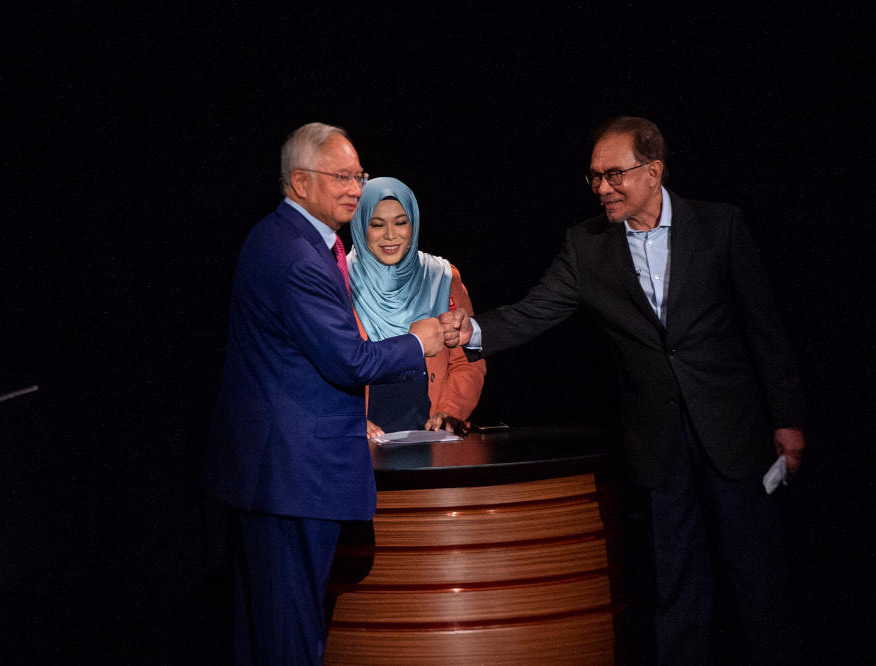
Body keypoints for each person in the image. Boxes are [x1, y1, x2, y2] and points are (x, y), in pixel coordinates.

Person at [441, 116, 806, 665]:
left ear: (653, 171)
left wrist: (788, 419)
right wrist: (470, 331)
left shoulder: (719, 226)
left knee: (756, 579)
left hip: (734, 431)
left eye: (614, 175)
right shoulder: (586, 245)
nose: (602, 188)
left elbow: (765, 330)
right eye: (594, 176)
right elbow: (534, 311)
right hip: (657, 440)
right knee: (674, 582)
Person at [205, 123, 450, 664]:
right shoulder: (296, 255)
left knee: (270, 637)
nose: (355, 189)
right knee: (288, 641)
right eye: (341, 177)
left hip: (278, 473)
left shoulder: (285, 237)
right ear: (299, 182)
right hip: (291, 476)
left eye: (359, 176)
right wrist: (419, 340)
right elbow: (349, 360)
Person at [346, 177, 486, 437]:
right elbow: (319, 370)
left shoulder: (443, 277)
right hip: (362, 442)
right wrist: (346, 419)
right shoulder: (336, 282)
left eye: (401, 222)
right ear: (360, 225)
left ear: (414, 223)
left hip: (431, 438)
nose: (391, 235)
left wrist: (451, 410)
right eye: (377, 224)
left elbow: (468, 361)